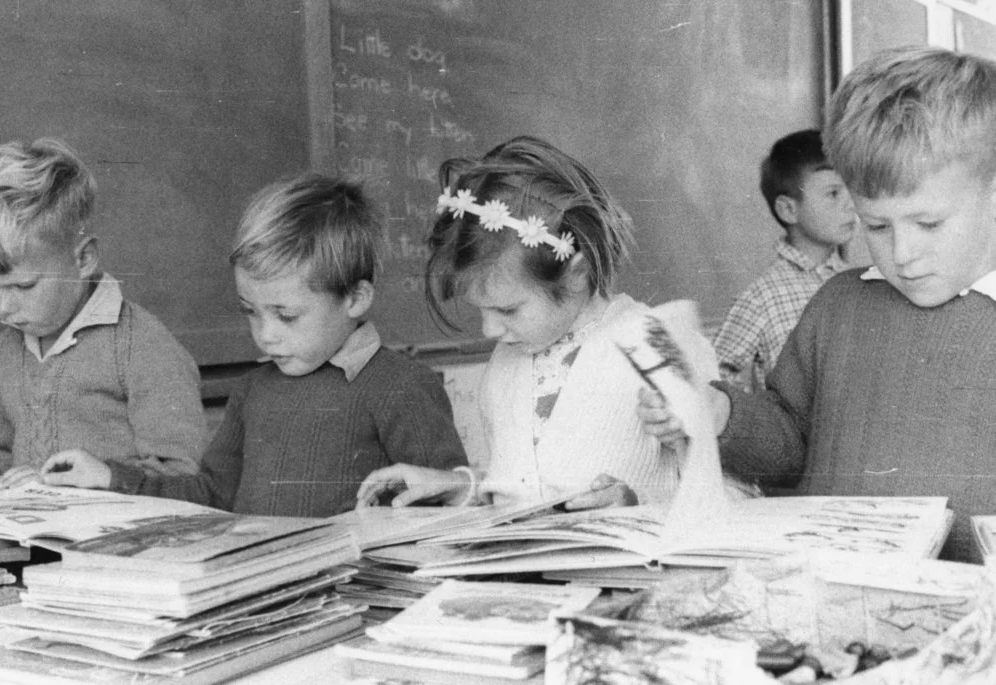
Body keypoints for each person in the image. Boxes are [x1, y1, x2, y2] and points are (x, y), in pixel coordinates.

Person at [639, 45, 996, 563]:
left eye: (928, 223)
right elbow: (787, 445)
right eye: (876, 226)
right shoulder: (837, 307)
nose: (903, 253)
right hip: (828, 598)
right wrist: (717, 412)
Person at [356, 136, 750, 511]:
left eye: (508, 311)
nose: (490, 330)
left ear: (577, 274)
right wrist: (462, 487)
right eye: (482, 310)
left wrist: (634, 506)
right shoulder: (505, 364)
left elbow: (733, 497)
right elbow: (520, 494)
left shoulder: (657, 343)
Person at [41, 173, 469, 517]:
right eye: (251, 311)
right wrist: (110, 477)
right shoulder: (253, 391)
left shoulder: (402, 386)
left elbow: (442, 507)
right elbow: (211, 494)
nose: (265, 334)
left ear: (355, 298)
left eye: (286, 315)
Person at [0, 138, 205, 489]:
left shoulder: (140, 345)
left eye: (24, 286)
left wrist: (99, 481)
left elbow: (182, 473)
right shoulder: (6, 345)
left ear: (83, 259)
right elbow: (2, 450)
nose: (3, 308)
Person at [712, 129, 855, 392]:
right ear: (788, 209)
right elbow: (714, 373)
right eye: (834, 193)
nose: (850, 204)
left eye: (850, 189)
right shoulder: (762, 296)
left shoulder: (855, 283)